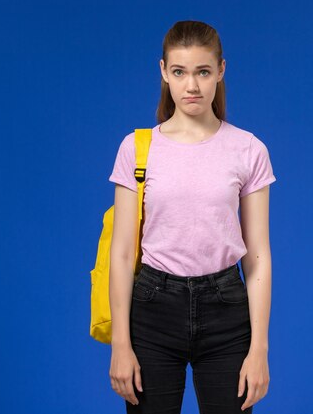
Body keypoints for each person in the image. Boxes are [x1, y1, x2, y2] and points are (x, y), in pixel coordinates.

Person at [107, 20, 276, 414]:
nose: (192, 86)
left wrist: (259, 350)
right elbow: (120, 254)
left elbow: (258, 257)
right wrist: (120, 344)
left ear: (221, 70)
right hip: (152, 308)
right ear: (164, 72)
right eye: (180, 72)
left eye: (203, 71)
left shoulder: (248, 150)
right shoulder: (136, 149)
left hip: (226, 311)